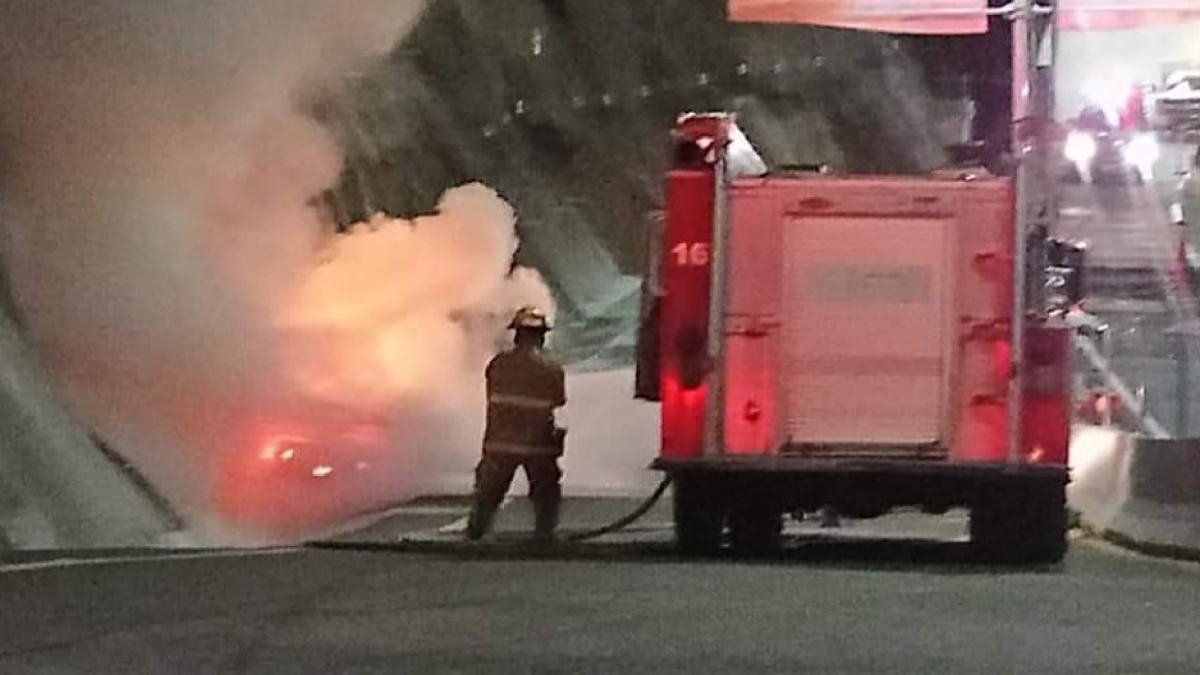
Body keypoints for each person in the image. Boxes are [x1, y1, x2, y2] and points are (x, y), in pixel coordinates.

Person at [467, 306, 567, 542]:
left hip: (500, 443)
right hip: (538, 444)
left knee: (489, 491)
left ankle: (476, 533)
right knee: (545, 491)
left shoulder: (498, 364)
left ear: (517, 335)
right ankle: (544, 535)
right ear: (541, 336)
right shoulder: (551, 366)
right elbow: (559, 399)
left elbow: (493, 395)